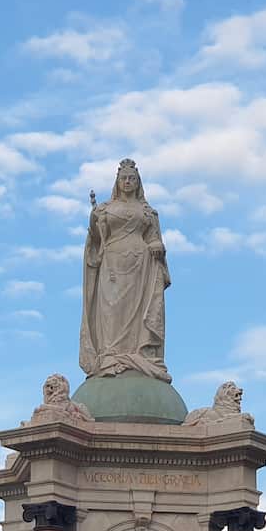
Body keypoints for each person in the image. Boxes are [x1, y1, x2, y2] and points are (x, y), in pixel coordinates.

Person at [79, 159, 172, 383]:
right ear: (117, 182)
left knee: (139, 311)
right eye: (124, 178)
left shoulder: (148, 211)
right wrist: (93, 224)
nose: (127, 182)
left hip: (142, 266)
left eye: (131, 178)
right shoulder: (105, 209)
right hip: (111, 264)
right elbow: (95, 240)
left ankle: (141, 354)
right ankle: (110, 356)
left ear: (138, 182)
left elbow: (154, 238)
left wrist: (158, 246)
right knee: (112, 309)